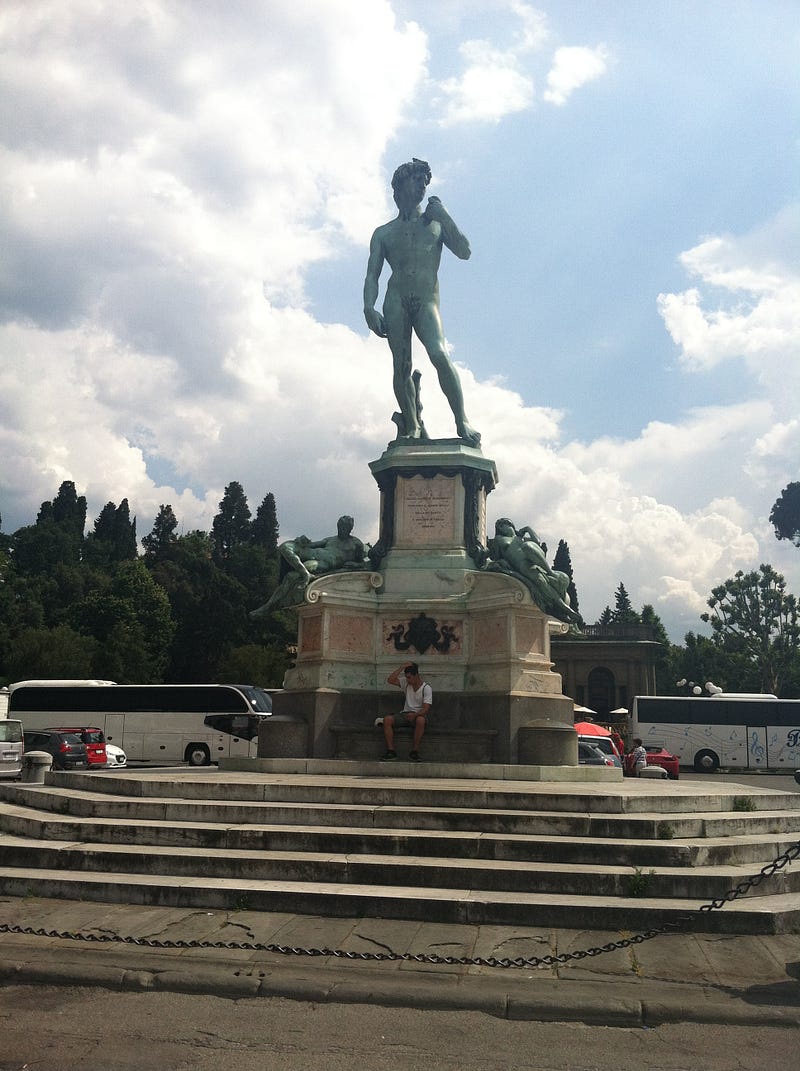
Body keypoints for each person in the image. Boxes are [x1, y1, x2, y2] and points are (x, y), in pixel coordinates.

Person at [363, 158, 480, 447]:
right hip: (396, 300)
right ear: (400, 186)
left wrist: (445, 216)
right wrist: (369, 307)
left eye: (425, 182)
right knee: (401, 365)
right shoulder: (383, 232)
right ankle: (412, 425)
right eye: (416, 180)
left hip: (427, 300)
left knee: (439, 354)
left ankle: (462, 420)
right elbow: (372, 275)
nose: (422, 186)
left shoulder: (435, 223)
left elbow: (464, 251)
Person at [251, 515, 366, 614]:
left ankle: (268, 606)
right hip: (312, 553)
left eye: (344, 528)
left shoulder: (356, 544)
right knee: (285, 546)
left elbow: (362, 563)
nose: (341, 530)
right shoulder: (331, 539)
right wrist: (302, 541)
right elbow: (312, 545)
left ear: (350, 529)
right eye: (339, 527)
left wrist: (354, 565)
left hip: (321, 563)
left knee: (291, 576)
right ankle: (305, 574)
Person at [485, 518, 579, 624]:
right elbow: (496, 557)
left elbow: (537, 542)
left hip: (534, 562)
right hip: (523, 565)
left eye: (502, 525)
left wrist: (527, 528)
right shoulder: (499, 539)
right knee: (541, 582)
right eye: (498, 527)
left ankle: (550, 573)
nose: (500, 528)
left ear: (511, 525)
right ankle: (565, 609)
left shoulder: (522, 539)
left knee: (528, 546)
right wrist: (501, 561)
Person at [382, 662, 432, 762]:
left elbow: (426, 709)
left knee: (421, 721)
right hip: (405, 714)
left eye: (409, 677)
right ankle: (391, 751)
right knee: (387, 720)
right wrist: (401, 667)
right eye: (406, 677)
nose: (408, 680)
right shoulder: (406, 683)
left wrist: (415, 715)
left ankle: (414, 751)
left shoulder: (426, 688)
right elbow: (390, 680)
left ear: (416, 675)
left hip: (418, 715)